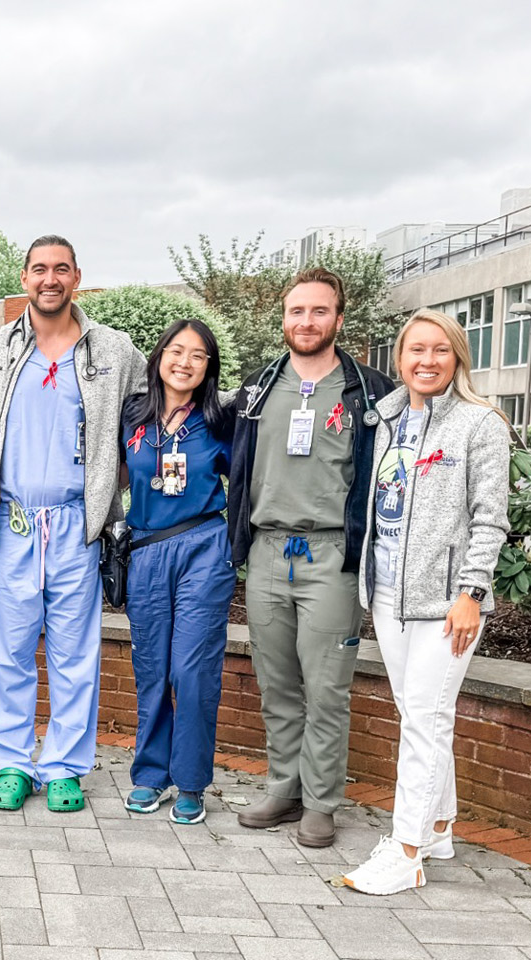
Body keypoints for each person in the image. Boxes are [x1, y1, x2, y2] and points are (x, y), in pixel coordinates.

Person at [0, 235, 146, 813]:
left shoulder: (114, 350)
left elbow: (145, 422)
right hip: (11, 522)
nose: (50, 279)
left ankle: (64, 765)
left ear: (77, 277)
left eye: (61, 269)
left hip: (75, 525)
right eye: (39, 269)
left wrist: (112, 494)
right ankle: (13, 762)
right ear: (24, 277)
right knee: (4, 651)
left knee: (73, 652)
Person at [342, 309, 510, 894]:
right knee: (419, 715)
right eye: (416, 350)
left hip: (447, 603)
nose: (427, 361)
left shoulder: (478, 423)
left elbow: (490, 520)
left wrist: (471, 594)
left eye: (440, 350)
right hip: (388, 592)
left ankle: (406, 850)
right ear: (400, 357)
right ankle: (437, 827)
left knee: (426, 718)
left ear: (457, 357)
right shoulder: (385, 417)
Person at [228, 266, 393, 848]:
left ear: (339, 319)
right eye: (297, 311)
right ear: (284, 319)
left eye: (319, 311)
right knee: (277, 684)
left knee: (326, 687)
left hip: (332, 555)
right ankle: (284, 786)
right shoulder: (257, 388)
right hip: (269, 551)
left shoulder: (371, 392)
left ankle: (321, 801)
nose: (307, 321)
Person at [119, 319, 236, 825]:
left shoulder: (222, 420)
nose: (184, 362)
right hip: (146, 551)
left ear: (209, 367)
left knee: (190, 672)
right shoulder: (133, 416)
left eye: (198, 355)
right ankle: (150, 775)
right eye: (176, 350)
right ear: (159, 356)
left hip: (204, 549)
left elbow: (251, 479)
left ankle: (190, 781)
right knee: (152, 671)